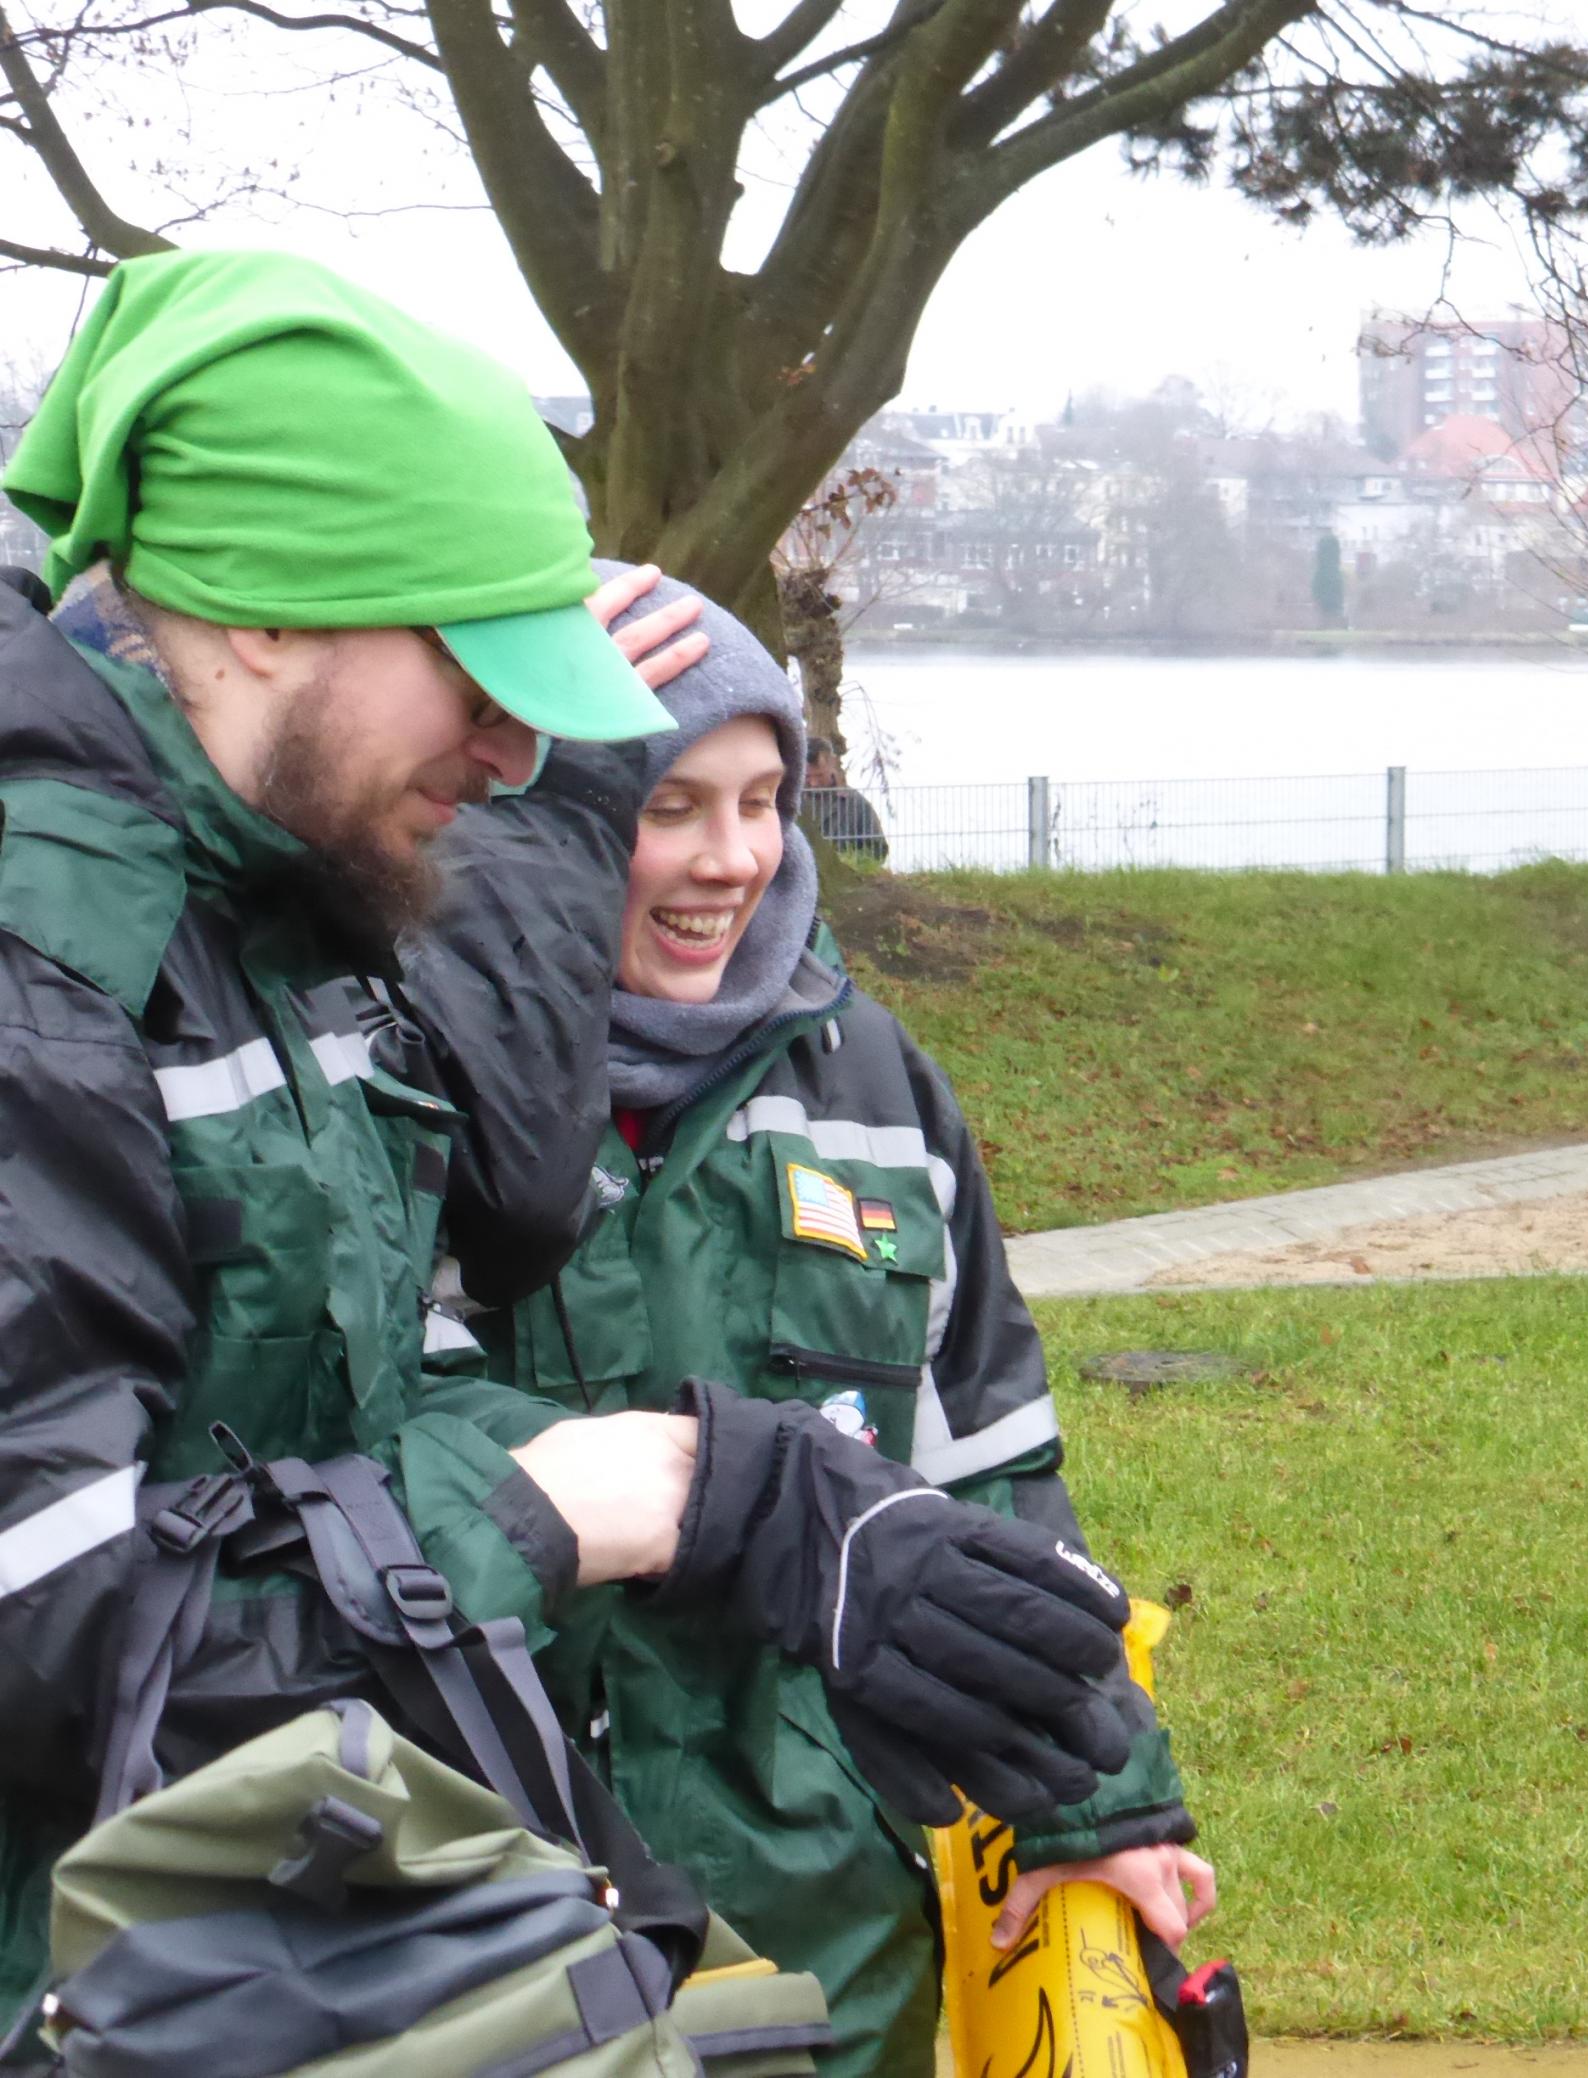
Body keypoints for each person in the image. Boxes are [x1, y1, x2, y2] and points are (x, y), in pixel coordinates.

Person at [0, 251, 1131, 2019]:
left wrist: (777, 1496)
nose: (526, 752)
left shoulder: (274, 935)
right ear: (264, 613)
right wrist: (611, 1498)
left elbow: (353, 1420)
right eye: (479, 669)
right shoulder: (43, 970)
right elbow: (62, 1644)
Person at [452, 570, 1212, 2076]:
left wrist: (1095, 1804)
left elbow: (993, 1479)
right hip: (495, 1908)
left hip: (831, 1915)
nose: (729, 858)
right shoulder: (414, 1066)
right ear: (555, 805)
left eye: (764, 799)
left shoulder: (874, 1080)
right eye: (670, 804)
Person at [801, 734, 888, 862]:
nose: (814, 783)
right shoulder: (785, 801)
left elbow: (878, 849)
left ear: (832, 763)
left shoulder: (856, 804)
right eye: (807, 777)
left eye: (820, 775)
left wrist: (851, 862)